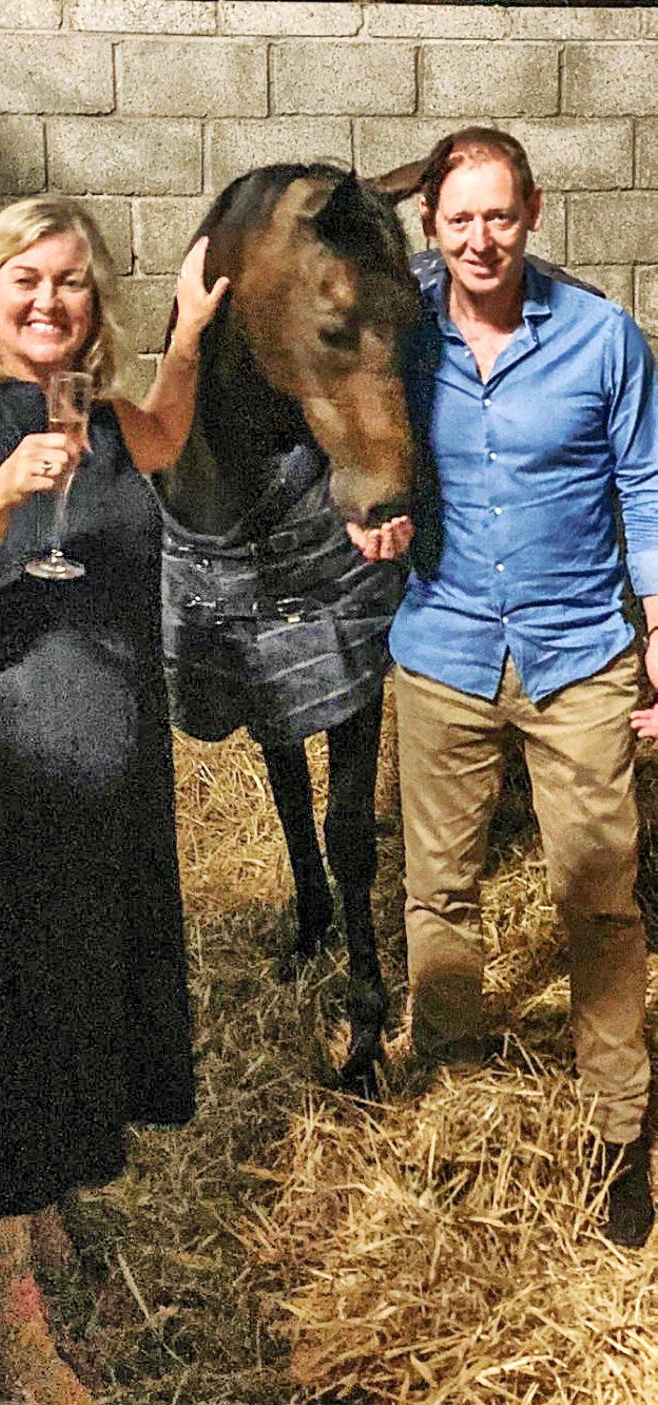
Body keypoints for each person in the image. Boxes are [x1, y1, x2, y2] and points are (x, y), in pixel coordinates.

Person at [0, 195, 228, 1405]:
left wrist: (190, 332)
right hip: (3, 780)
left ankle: (47, 1217)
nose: (48, 301)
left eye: (71, 281)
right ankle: (12, 1314)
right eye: (24, 279)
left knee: (84, 998)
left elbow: (168, 430)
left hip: (110, 784)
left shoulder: (108, 418)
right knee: (8, 1013)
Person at [349, 127, 657, 1249]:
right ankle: (451, 1091)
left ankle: (619, 1127)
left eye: (498, 215)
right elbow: (351, 440)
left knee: (598, 893)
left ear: (531, 212)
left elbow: (646, 484)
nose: (478, 239)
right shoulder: (395, 334)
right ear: (430, 226)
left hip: (578, 655)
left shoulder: (602, 338)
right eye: (457, 219)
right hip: (445, 649)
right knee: (438, 890)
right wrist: (368, 519)